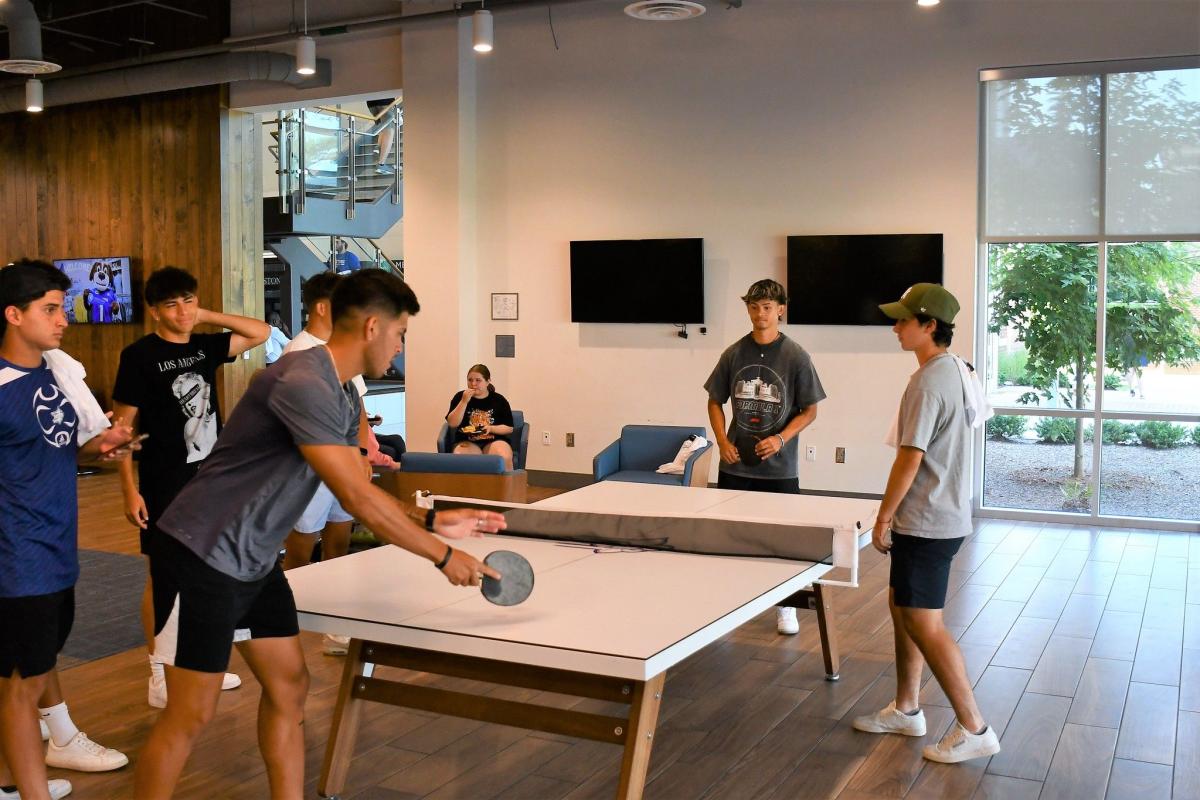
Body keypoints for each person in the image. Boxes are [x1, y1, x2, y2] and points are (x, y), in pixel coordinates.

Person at [132, 269, 504, 799]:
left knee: (289, 687)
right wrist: (443, 556)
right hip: (202, 553)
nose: (400, 348)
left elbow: (355, 481)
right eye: (400, 334)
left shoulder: (344, 391)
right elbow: (354, 497)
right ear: (372, 327)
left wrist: (428, 519)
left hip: (255, 560)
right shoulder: (302, 380)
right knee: (191, 713)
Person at [0, 260, 138, 800]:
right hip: (18, 557)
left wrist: (101, 447)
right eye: (51, 310)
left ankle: (10, 784)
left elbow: (59, 449)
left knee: (24, 674)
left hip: (56, 546)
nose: (63, 320)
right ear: (14, 315)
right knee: (24, 685)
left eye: (63, 308)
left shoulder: (53, 373)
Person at [853, 283, 1001, 764]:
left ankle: (975, 728)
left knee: (923, 621)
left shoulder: (928, 381)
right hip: (944, 514)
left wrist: (882, 515)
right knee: (903, 608)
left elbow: (910, 456)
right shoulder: (957, 370)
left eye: (903, 320)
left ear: (929, 325)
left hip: (927, 519)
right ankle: (906, 708)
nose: (895, 328)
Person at [110, 266, 270, 709]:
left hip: (211, 481)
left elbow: (261, 332)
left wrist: (205, 315)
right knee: (163, 575)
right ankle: (159, 671)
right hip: (163, 481)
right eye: (171, 304)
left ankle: (199, 665)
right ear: (153, 311)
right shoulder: (139, 356)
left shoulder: (204, 346)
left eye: (188, 301)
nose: (182, 312)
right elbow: (121, 428)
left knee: (209, 572)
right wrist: (128, 490)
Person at [704, 278, 826, 635]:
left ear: (780, 310)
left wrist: (781, 438)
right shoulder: (733, 354)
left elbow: (810, 410)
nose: (761, 314)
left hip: (779, 469)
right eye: (754, 307)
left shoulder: (797, 356)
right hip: (735, 465)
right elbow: (714, 401)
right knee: (730, 538)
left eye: (768, 308)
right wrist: (721, 441)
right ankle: (727, 608)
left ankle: (785, 607)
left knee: (782, 541)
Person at [278, 273, 371, 657]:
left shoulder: (342, 347)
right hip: (308, 469)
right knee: (301, 550)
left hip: (343, 465)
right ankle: (282, 627)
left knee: (338, 545)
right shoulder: (298, 352)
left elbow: (358, 406)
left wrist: (361, 454)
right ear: (321, 307)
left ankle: (335, 628)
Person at [445, 364, 515, 471]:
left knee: (503, 457)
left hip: (494, 440)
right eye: (470, 380)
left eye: (478, 380)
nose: (473, 384)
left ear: (487, 381)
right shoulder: (460, 397)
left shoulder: (499, 400)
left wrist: (491, 428)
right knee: (461, 458)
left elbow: (509, 428)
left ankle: (508, 482)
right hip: (466, 440)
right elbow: (452, 423)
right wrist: (464, 402)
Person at [367, 97, 397, 174]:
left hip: (371, 103)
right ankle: (381, 165)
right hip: (385, 102)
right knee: (389, 131)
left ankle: (378, 147)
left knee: (383, 127)